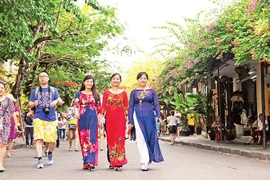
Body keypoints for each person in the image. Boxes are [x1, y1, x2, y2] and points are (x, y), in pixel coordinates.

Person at [128, 72, 164, 171]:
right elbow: (130, 107)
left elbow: (156, 104)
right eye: (140, 78)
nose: (142, 80)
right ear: (137, 80)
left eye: (144, 78)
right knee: (141, 138)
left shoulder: (152, 91)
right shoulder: (134, 92)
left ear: (147, 79)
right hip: (138, 116)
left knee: (151, 137)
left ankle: (149, 156)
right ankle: (144, 161)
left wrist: (158, 115)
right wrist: (130, 120)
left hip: (150, 116)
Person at [28, 71, 64, 169]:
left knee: (52, 140)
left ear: (48, 78)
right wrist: (34, 103)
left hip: (51, 118)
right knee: (38, 139)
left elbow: (61, 102)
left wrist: (56, 101)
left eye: (44, 76)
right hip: (39, 117)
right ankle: (40, 160)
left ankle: (50, 153)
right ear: (39, 79)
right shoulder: (35, 91)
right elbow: (29, 104)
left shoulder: (53, 90)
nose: (42, 78)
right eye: (40, 76)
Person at [100, 73, 128, 171]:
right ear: (111, 80)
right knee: (111, 139)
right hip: (110, 119)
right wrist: (100, 118)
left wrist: (129, 121)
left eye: (117, 79)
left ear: (120, 81)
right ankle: (112, 161)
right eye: (114, 79)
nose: (116, 80)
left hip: (120, 119)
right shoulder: (106, 93)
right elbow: (103, 107)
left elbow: (126, 108)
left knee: (120, 139)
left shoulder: (123, 93)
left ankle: (119, 162)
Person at [74, 75, 102, 170]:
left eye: (91, 81)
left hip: (93, 117)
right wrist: (76, 112)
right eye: (88, 81)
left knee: (92, 138)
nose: (90, 83)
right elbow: (76, 104)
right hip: (82, 117)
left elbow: (99, 108)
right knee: (84, 138)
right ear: (84, 82)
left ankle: (91, 161)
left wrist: (100, 120)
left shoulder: (95, 94)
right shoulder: (79, 94)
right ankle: (86, 161)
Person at [0, 83, 17, 172]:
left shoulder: (9, 100)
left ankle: (1, 164)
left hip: (5, 124)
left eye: (2, 88)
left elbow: (13, 112)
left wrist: (16, 124)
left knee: (2, 144)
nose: (0, 90)